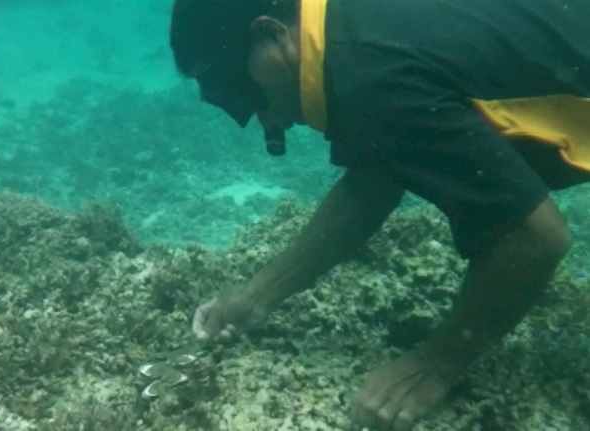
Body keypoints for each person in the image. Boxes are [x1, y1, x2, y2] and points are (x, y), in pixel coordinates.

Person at [168, 0, 590, 429]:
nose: (251, 116)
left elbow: (535, 238)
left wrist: (436, 363)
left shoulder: (369, 76)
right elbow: (378, 174)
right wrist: (258, 294)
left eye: (233, 87)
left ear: (273, 34)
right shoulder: (350, 33)